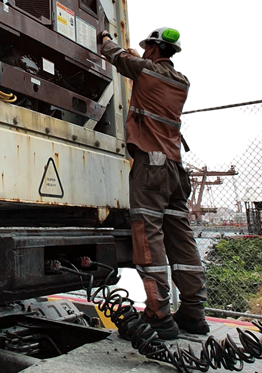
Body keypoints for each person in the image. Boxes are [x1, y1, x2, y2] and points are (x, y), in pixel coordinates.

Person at [98, 27, 209, 339]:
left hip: (151, 166)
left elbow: (116, 56)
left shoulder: (146, 71)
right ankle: (193, 312)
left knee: (148, 236)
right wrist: (139, 59)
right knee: (180, 236)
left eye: (147, 47)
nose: (144, 51)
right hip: (175, 168)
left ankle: (158, 314)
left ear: (155, 49)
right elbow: (142, 67)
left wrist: (105, 37)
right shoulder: (181, 81)